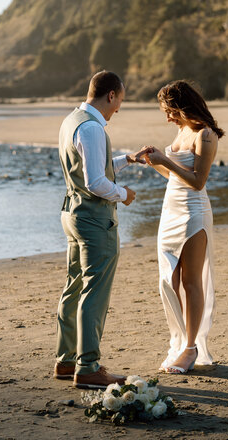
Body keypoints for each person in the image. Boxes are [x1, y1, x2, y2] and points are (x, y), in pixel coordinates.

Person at [54, 70, 148, 389]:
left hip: (72, 213)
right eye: (120, 100)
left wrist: (128, 159)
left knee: (74, 286)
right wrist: (125, 195)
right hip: (94, 219)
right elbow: (96, 182)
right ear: (111, 95)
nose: (119, 107)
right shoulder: (93, 128)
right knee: (94, 291)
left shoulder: (72, 120)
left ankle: (66, 362)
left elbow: (88, 168)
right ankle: (89, 366)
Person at [144, 80, 224, 374]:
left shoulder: (206, 135)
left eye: (168, 111)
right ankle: (180, 340)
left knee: (191, 281)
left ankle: (190, 348)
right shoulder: (181, 131)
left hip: (193, 213)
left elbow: (197, 181)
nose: (167, 118)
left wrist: (166, 158)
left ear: (181, 106)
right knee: (168, 279)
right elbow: (175, 176)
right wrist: (155, 162)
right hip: (170, 211)